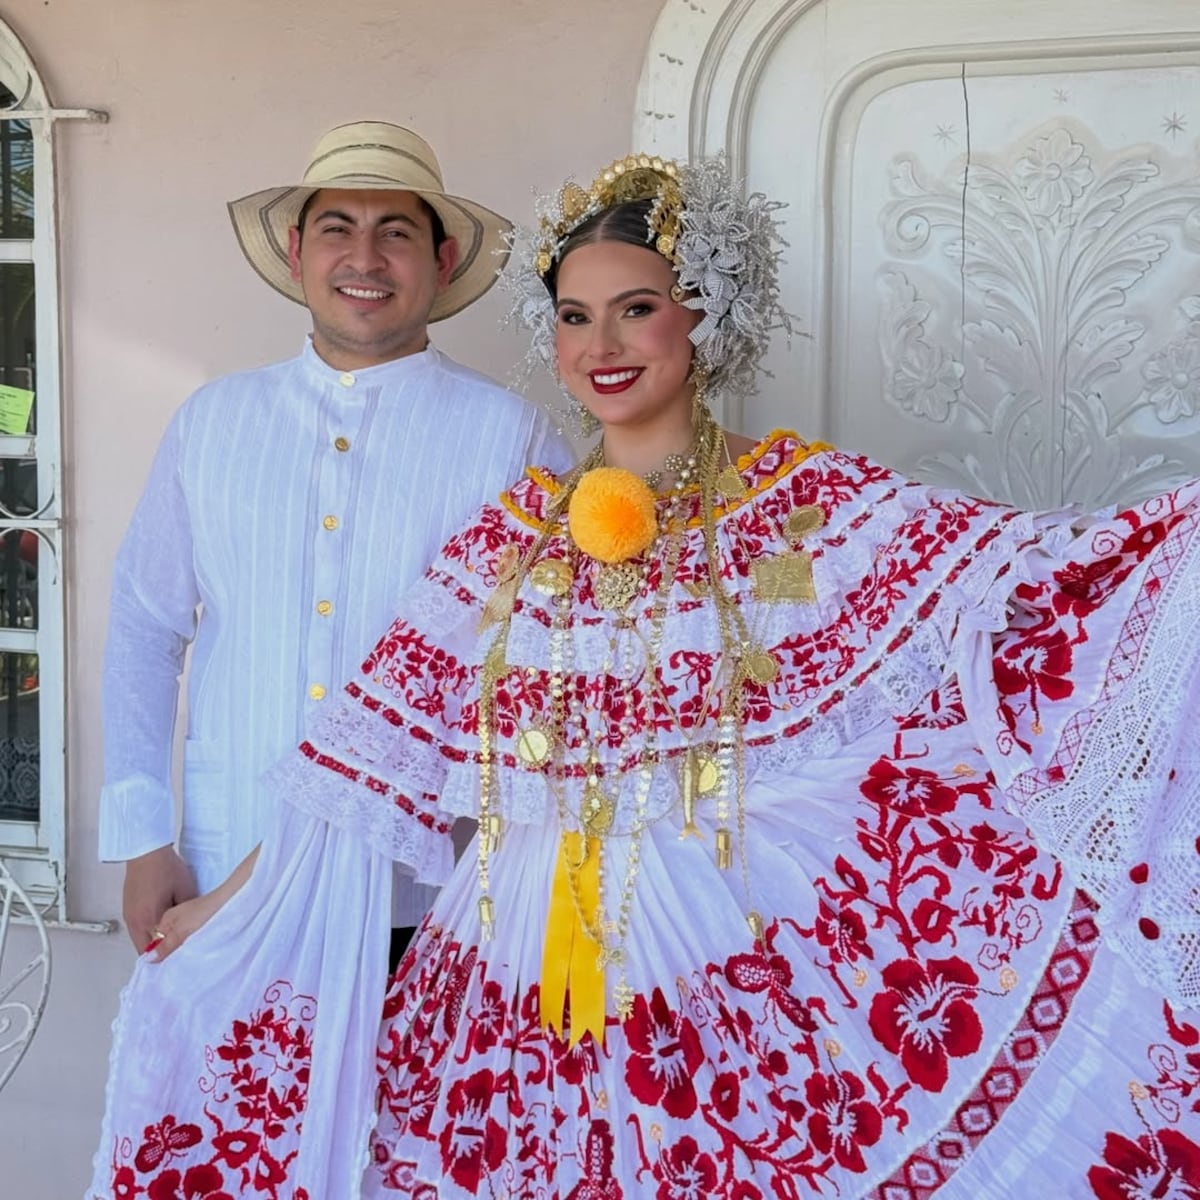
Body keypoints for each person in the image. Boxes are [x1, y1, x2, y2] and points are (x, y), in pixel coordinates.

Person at [88, 153, 1200, 1199]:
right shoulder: (512, 537)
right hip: (511, 986)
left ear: (703, 320)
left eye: (636, 307)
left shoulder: (803, 508)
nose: (601, 344)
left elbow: (1021, 587)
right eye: (574, 316)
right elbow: (369, 761)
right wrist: (221, 910)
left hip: (725, 967)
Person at [99, 121, 570, 960]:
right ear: (295, 252)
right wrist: (141, 835)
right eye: (336, 229)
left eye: (395, 232)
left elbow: (547, 674)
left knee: (403, 1099)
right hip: (220, 872)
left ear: (444, 259)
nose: (365, 258)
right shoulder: (213, 424)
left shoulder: (515, 443)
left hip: (423, 898)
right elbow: (145, 626)